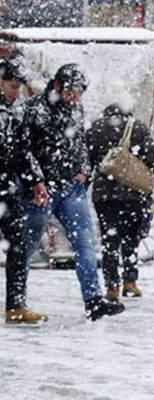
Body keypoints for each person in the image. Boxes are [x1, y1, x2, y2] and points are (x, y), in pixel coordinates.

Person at [22, 63, 125, 321]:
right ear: (57, 85)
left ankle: (93, 300)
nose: (74, 98)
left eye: (78, 93)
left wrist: (84, 171)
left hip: (70, 186)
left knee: (84, 242)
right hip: (42, 187)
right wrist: (36, 179)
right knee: (28, 245)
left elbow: (80, 143)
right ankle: (17, 300)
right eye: (71, 92)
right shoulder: (35, 109)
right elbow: (25, 149)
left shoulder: (75, 109)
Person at [86, 103, 154, 300]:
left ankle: (111, 287)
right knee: (130, 239)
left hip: (104, 195)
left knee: (109, 241)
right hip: (133, 194)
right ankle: (130, 282)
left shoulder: (95, 128)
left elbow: (87, 160)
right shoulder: (137, 127)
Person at [0, 58, 48, 324]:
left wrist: (35, 180)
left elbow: (22, 150)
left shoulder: (17, 111)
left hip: (8, 188)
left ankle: (16, 305)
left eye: (18, 87)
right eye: (11, 85)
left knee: (18, 245)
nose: (15, 91)